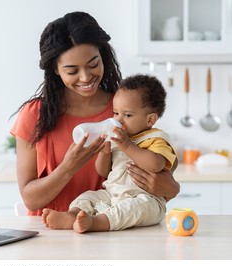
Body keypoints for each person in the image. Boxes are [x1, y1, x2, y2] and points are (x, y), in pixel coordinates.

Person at [10, 11, 179, 216]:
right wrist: (68, 167)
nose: (85, 77)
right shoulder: (35, 115)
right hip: (50, 234)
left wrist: (171, 187)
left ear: (103, 56)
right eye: (72, 71)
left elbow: (166, 183)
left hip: (110, 232)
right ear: (55, 69)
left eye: (93, 64)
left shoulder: (124, 112)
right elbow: (31, 200)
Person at [42, 74, 177, 233]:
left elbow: (156, 165)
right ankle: (73, 215)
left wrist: (127, 145)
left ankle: (95, 223)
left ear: (150, 120)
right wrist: (104, 153)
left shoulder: (156, 138)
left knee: (134, 208)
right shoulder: (117, 139)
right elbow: (103, 172)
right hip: (110, 200)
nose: (119, 120)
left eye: (127, 115)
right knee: (90, 197)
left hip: (144, 200)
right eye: (115, 113)